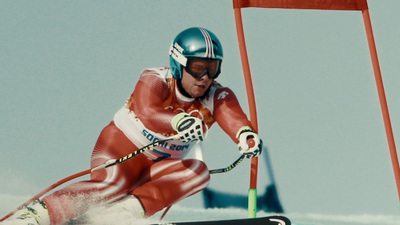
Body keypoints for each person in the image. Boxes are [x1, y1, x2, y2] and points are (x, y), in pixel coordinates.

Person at [2, 27, 262, 225]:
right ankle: (36, 215)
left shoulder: (215, 95)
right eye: (197, 68)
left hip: (159, 166)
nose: (205, 77)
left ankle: (117, 217)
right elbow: (148, 111)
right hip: (123, 150)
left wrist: (245, 135)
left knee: (199, 173)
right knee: (113, 186)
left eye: (212, 69)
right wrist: (178, 120)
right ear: (178, 63)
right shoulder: (155, 79)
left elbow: (232, 116)